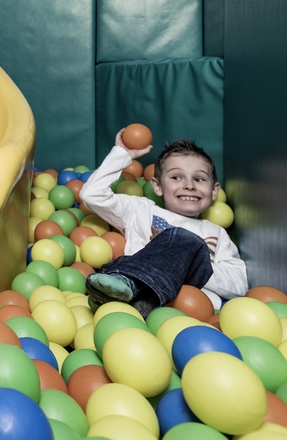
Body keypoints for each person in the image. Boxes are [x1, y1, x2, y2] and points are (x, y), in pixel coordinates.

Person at [78, 131, 248, 316]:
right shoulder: (141, 210)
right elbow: (91, 195)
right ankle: (124, 287)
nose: (189, 185)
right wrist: (121, 154)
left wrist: (189, 262)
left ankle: (132, 297)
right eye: (176, 177)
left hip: (193, 314)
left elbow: (240, 285)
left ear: (214, 190)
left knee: (184, 239)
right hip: (133, 301)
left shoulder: (216, 232)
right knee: (178, 238)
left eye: (199, 179)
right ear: (157, 186)